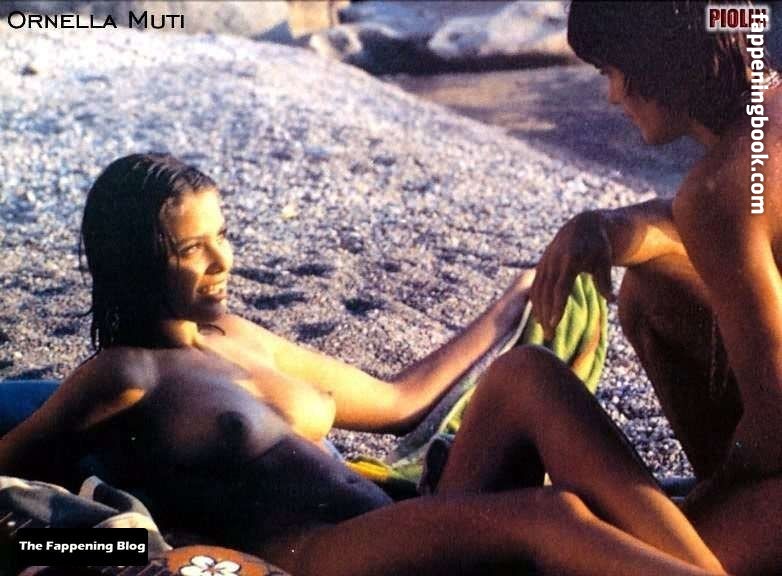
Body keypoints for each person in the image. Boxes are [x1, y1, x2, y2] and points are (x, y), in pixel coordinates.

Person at [0, 3, 773, 574]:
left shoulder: (234, 338)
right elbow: (19, 478)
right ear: (137, 260)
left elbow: (402, 401)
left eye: (222, 236)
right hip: (315, 553)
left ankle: (693, 561)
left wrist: (508, 304)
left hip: (403, 520)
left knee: (528, 374)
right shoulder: (121, 373)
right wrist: (106, 549)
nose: (221, 261)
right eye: (192, 249)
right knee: (549, 513)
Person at [530, 1, 782, 574]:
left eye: (612, 70)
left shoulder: (721, 189)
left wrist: (706, 499)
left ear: (657, 59)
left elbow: (775, 430)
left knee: (632, 557)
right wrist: (604, 227)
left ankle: (718, 518)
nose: (612, 96)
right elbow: (728, 228)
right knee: (652, 293)